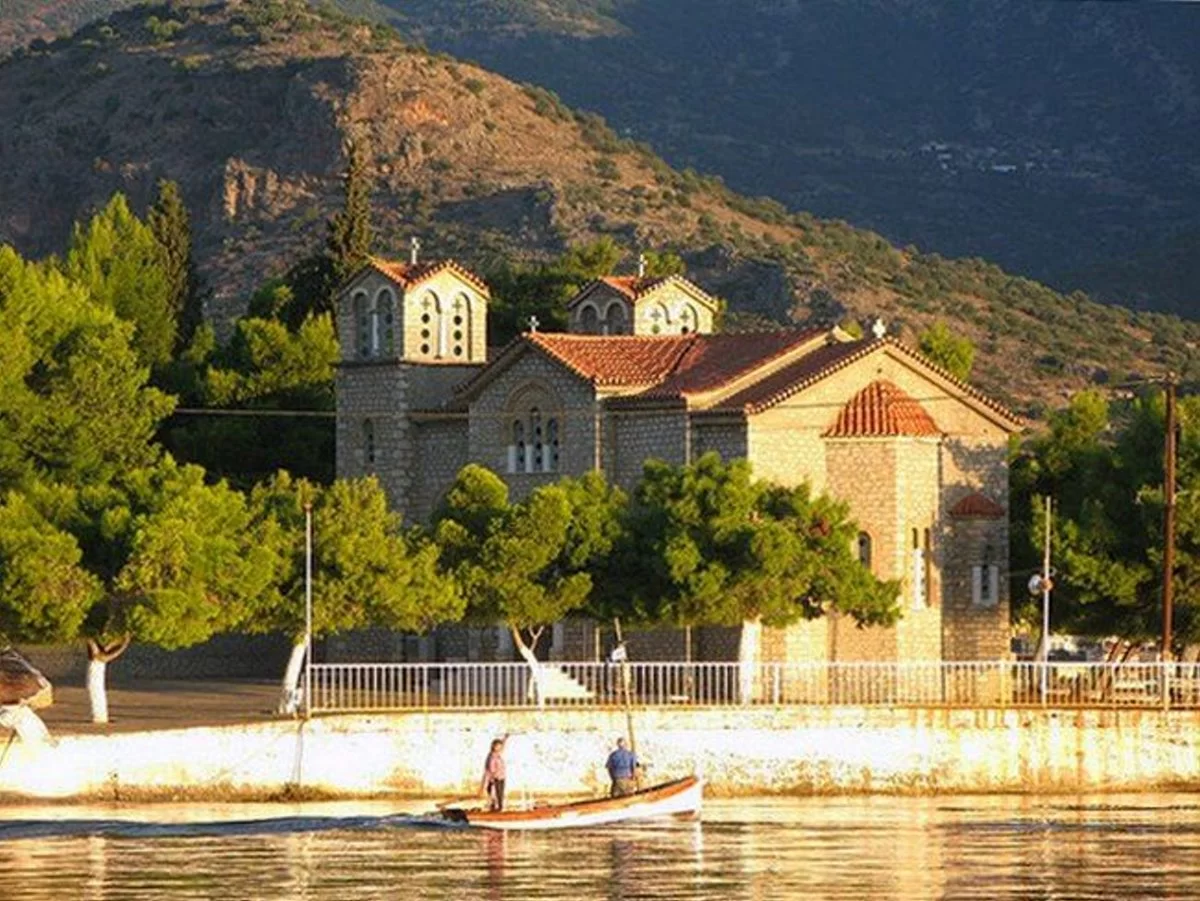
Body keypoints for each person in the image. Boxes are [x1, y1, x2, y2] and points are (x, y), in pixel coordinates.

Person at [480, 734, 508, 811]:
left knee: (500, 794)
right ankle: (497, 808)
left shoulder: (498, 753)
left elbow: (503, 746)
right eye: (497, 746)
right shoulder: (492, 756)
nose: (499, 748)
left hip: (501, 776)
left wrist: (505, 738)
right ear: (493, 746)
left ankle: (499, 807)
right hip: (495, 778)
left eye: (499, 746)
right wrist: (492, 778)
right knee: (496, 794)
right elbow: (490, 768)